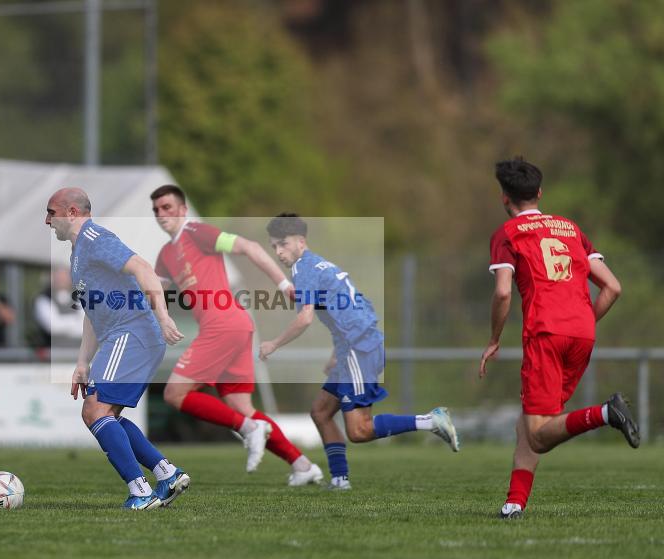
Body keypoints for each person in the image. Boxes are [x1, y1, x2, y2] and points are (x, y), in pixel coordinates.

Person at [480, 157, 639, 519]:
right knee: (530, 422)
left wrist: (493, 339)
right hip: (582, 333)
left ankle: (605, 413)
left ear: (505, 198)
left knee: (538, 434)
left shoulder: (507, 234)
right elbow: (613, 287)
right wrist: (582, 321)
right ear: (539, 193)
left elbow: (502, 293)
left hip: (546, 333)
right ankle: (514, 503)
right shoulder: (570, 228)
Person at [259, 213, 459, 491]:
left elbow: (305, 319)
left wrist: (274, 343)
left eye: (283, 244)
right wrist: (338, 352)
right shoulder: (320, 264)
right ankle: (340, 480)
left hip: (358, 349)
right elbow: (354, 306)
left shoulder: (304, 268)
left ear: (301, 241)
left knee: (359, 430)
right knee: (321, 412)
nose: (279, 252)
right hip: (356, 346)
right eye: (274, 246)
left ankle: (430, 421)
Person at [151, 185, 323, 485]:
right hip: (236, 326)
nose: (161, 214)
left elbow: (250, 247)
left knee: (174, 394)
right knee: (242, 407)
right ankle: (302, 464)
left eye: (167, 207)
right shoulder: (166, 254)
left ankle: (248, 428)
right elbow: (154, 293)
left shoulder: (197, 232)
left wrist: (284, 285)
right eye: (156, 210)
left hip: (223, 324)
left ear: (183, 209)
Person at [45, 187, 190, 510]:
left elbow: (143, 268)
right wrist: (82, 362)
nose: (47, 221)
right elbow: (92, 311)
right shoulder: (78, 252)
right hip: (123, 335)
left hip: (132, 333)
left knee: (94, 410)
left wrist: (163, 316)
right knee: (106, 414)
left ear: (72, 212)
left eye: (51, 213)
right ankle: (166, 474)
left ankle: (141, 492)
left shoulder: (95, 237)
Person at [33, 266, 85, 356]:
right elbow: (53, 326)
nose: (62, 279)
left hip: (78, 352)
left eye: (65, 276)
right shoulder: (43, 298)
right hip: (52, 354)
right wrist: (76, 320)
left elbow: (87, 325)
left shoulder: (80, 297)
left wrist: (63, 322)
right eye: (58, 276)